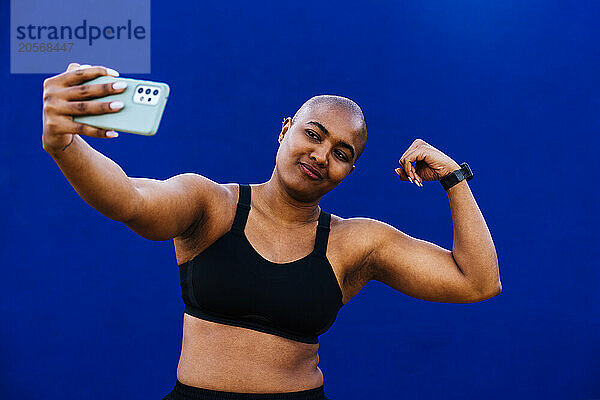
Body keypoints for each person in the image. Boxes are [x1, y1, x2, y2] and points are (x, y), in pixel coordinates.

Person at [42, 63, 502, 400]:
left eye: (342, 153)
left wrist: (454, 179)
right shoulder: (212, 205)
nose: (322, 155)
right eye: (314, 134)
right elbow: (128, 199)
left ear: (350, 171)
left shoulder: (354, 243)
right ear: (285, 130)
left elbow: (478, 281)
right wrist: (64, 144)